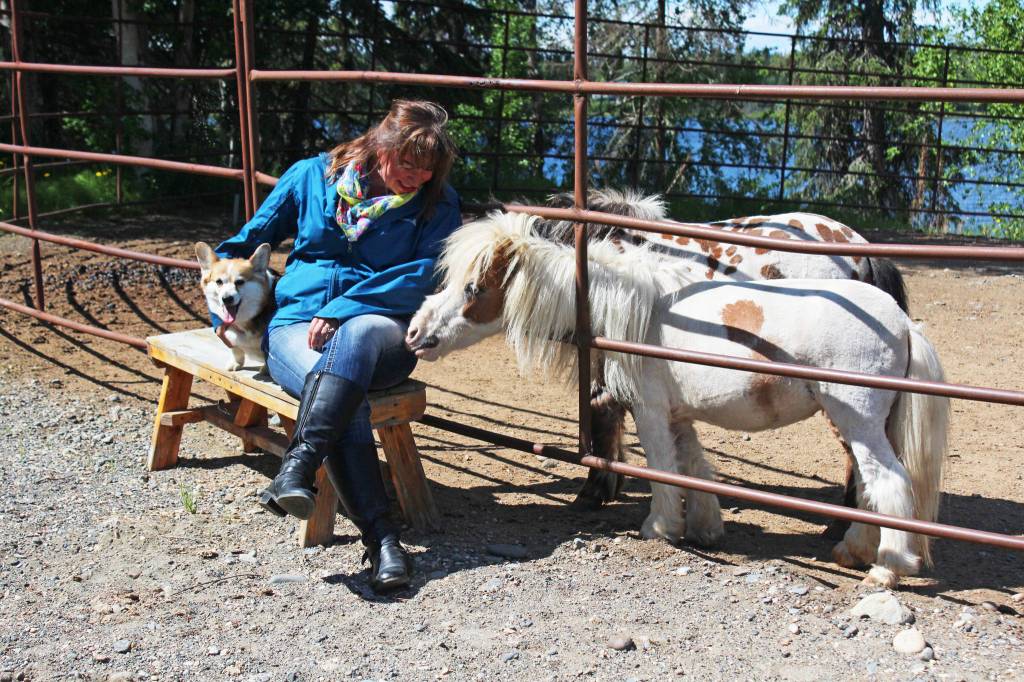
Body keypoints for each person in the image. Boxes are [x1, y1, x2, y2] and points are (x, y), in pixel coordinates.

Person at [212, 99, 461, 592]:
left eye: (426, 170)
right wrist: (221, 308)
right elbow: (244, 242)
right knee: (336, 395)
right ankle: (382, 541)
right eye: (407, 164)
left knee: (357, 335)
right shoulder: (309, 177)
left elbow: (428, 273)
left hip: (383, 332)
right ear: (379, 147)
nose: (416, 178)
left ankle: (299, 463)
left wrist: (344, 307)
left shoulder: (438, 204)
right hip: (294, 327)